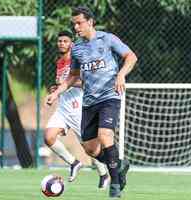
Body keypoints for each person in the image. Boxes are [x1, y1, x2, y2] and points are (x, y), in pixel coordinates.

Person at [46, 6, 138, 198]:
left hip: (109, 97)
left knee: (105, 137)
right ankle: (119, 165)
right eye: (74, 24)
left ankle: (115, 186)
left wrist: (121, 74)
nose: (76, 27)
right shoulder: (77, 49)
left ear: (90, 22)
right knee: (91, 149)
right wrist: (56, 94)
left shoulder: (107, 39)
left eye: (79, 23)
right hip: (89, 103)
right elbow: (72, 76)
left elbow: (131, 57)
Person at [45, 31, 109, 189]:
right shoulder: (59, 62)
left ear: (71, 44)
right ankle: (74, 163)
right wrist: (56, 89)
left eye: (65, 41)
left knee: (89, 148)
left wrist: (69, 83)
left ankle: (104, 173)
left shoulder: (80, 60)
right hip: (63, 108)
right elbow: (63, 84)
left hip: (79, 108)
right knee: (48, 137)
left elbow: (87, 83)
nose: (61, 44)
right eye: (59, 41)